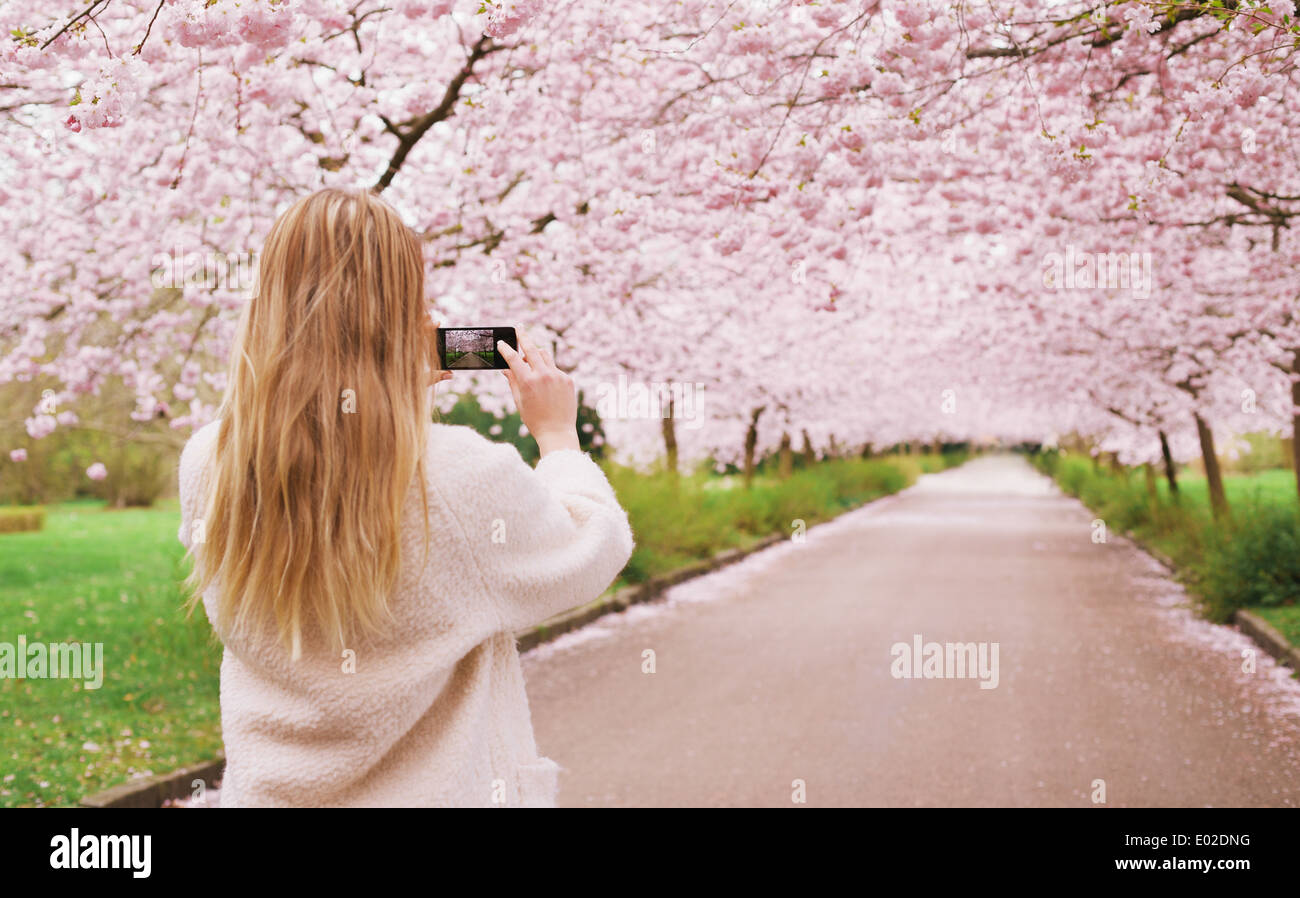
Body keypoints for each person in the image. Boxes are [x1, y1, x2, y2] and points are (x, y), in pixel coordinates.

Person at [177, 188, 634, 807]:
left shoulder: (211, 462)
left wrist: (389, 395)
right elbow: (590, 546)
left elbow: (337, 471)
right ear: (399, 309)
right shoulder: (457, 475)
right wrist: (555, 434)